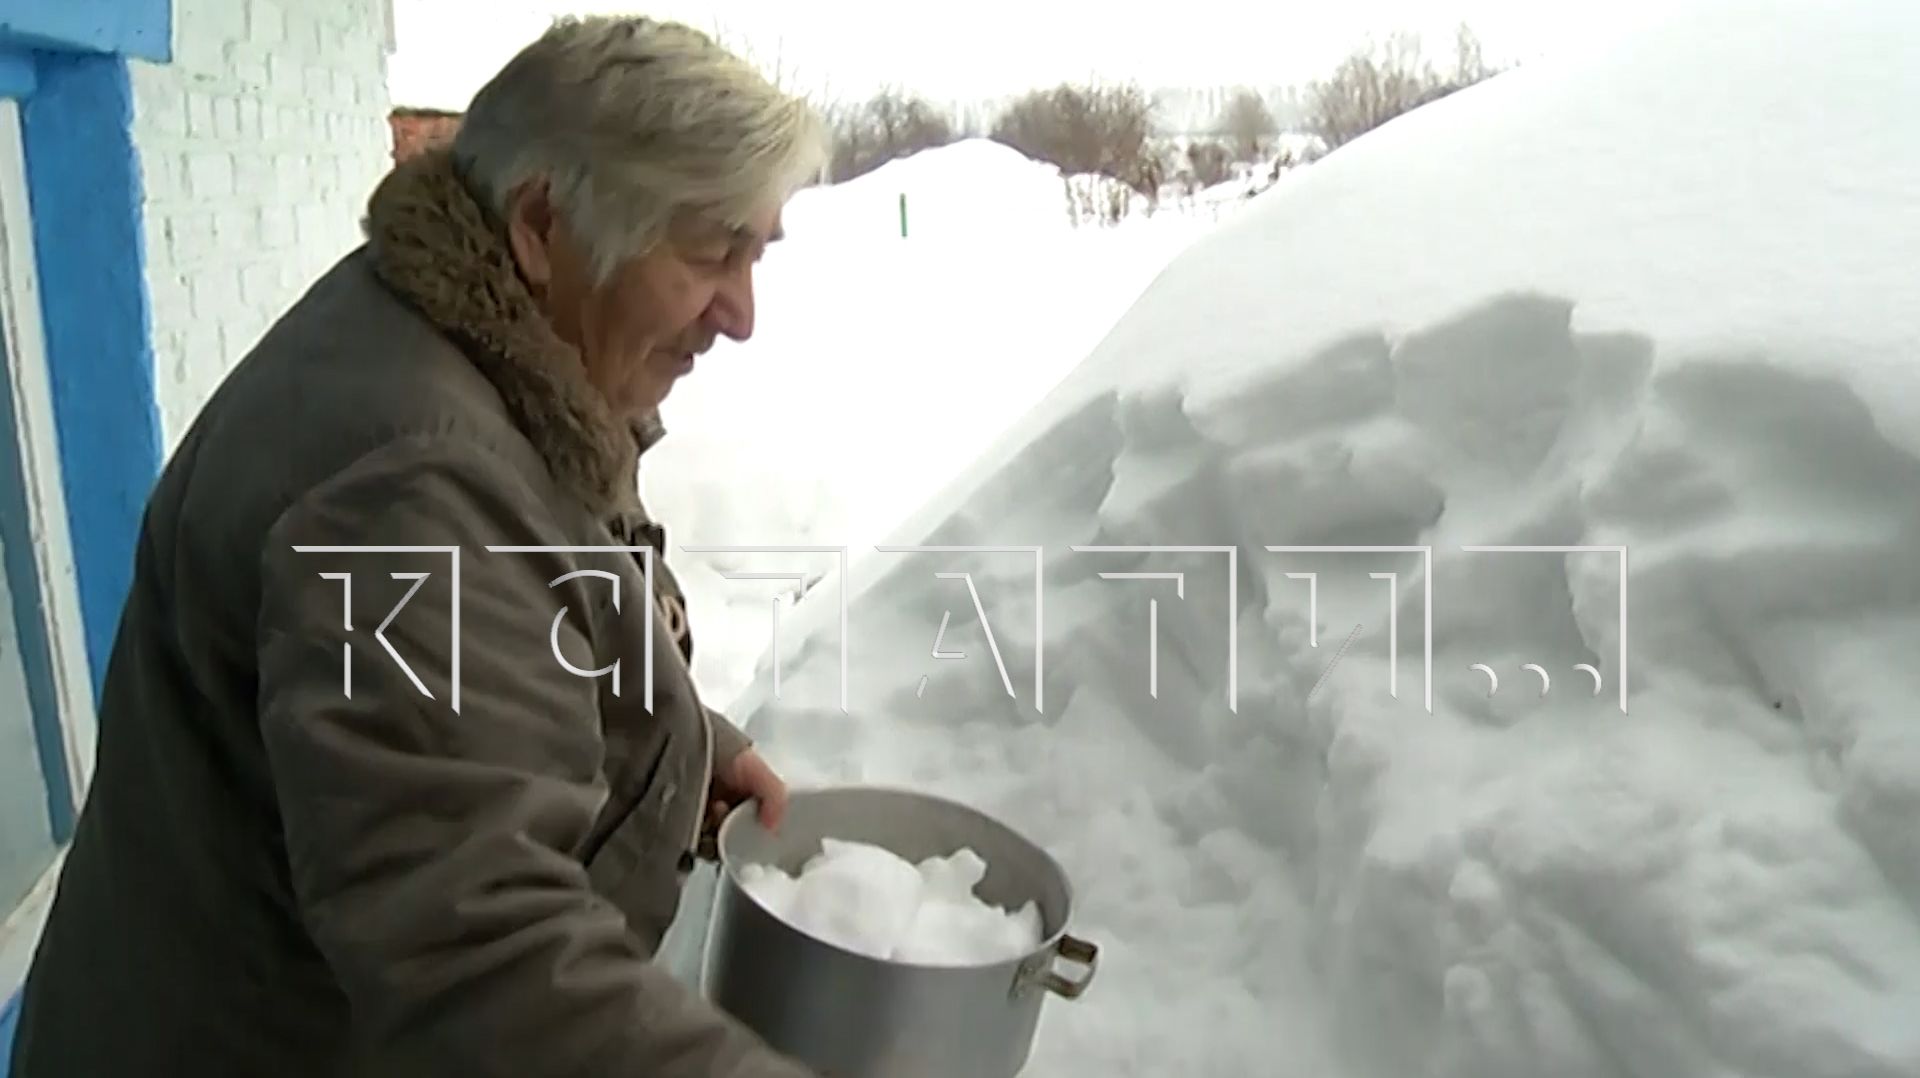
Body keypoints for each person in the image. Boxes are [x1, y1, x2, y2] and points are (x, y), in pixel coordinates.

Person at [10, 16, 827, 1077]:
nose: (743, 313)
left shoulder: (487, 354)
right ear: (542, 224)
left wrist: (678, 744)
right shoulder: (408, 481)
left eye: (756, 252)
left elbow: (508, 626)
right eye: (712, 248)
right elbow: (480, 950)